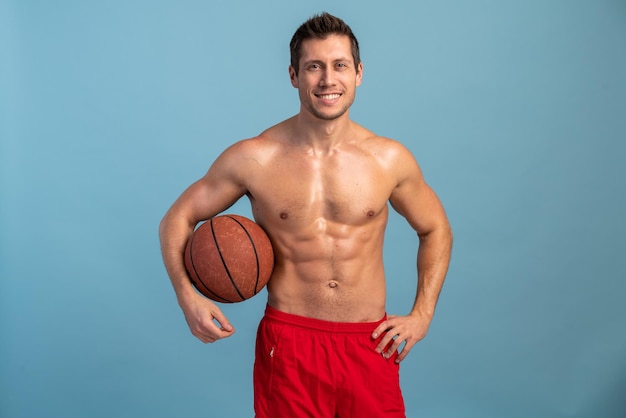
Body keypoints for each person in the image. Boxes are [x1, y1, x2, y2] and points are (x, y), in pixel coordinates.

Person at [159, 12, 452, 418]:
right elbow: (177, 218)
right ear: (294, 75)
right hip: (290, 341)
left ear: (359, 73)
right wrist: (186, 297)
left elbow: (435, 228)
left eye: (339, 65)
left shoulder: (388, 159)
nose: (328, 79)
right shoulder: (255, 158)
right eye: (314, 66)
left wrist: (422, 315)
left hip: (368, 343)